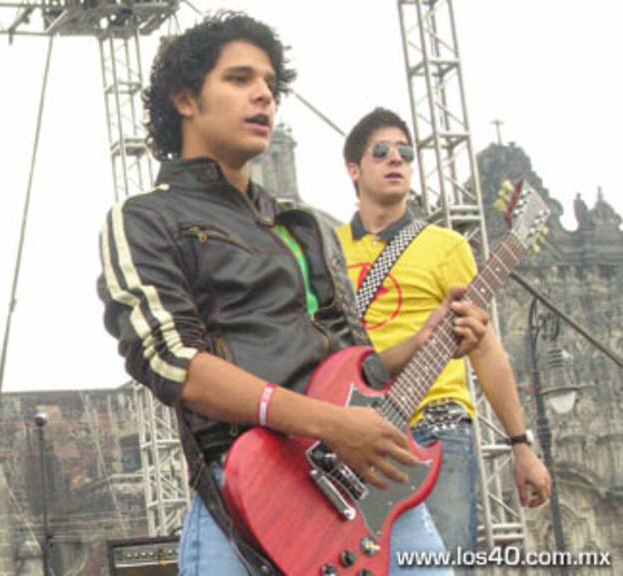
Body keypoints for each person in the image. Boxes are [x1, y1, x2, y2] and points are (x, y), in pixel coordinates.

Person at [97, 14, 489, 575]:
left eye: (270, 84)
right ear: (185, 99)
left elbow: (353, 366)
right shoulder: (144, 219)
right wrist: (329, 425)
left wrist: (421, 345)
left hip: (372, 494)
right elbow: (172, 362)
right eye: (239, 79)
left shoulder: (305, 227)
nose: (263, 95)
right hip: (253, 499)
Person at [336, 107, 552, 557]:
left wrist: (520, 445)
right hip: (353, 427)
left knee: (441, 561)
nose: (396, 159)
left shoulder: (446, 246)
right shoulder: (328, 247)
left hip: (436, 424)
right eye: (382, 151)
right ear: (354, 169)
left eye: (406, 153)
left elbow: (485, 348)